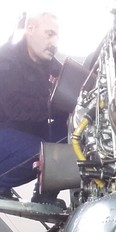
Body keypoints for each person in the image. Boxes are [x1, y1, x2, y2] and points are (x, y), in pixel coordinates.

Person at [0, 10, 66, 201]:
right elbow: (15, 108)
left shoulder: (53, 66)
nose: (54, 42)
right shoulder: (6, 59)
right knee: (43, 154)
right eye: (49, 34)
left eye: (57, 36)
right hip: (4, 130)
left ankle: (45, 195)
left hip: (28, 132)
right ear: (30, 28)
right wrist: (54, 104)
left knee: (70, 138)